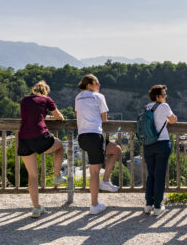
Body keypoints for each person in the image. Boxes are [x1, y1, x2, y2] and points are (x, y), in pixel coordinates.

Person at [17, 80, 66, 218]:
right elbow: (59, 117)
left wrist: (45, 116)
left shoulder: (25, 100)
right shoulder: (46, 99)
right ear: (45, 91)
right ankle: (57, 176)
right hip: (39, 136)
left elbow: (33, 117)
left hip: (24, 139)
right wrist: (56, 116)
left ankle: (37, 208)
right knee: (60, 145)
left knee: (32, 175)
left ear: (34, 90)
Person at [75, 74, 122, 215]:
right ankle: (94, 205)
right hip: (95, 135)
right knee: (94, 172)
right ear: (89, 85)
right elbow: (104, 119)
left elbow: (78, 114)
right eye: (97, 83)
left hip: (82, 136)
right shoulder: (99, 97)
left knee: (116, 150)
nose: (99, 85)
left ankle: (106, 180)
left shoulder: (78, 97)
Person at [143, 84, 178, 216]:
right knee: (160, 175)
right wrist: (169, 119)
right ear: (158, 96)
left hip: (148, 144)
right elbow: (173, 120)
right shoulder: (164, 106)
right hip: (162, 143)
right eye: (164, 95)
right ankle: (157, 206)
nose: (166, 97)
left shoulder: (147, 107)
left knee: (151, 175)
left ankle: (148, 204)